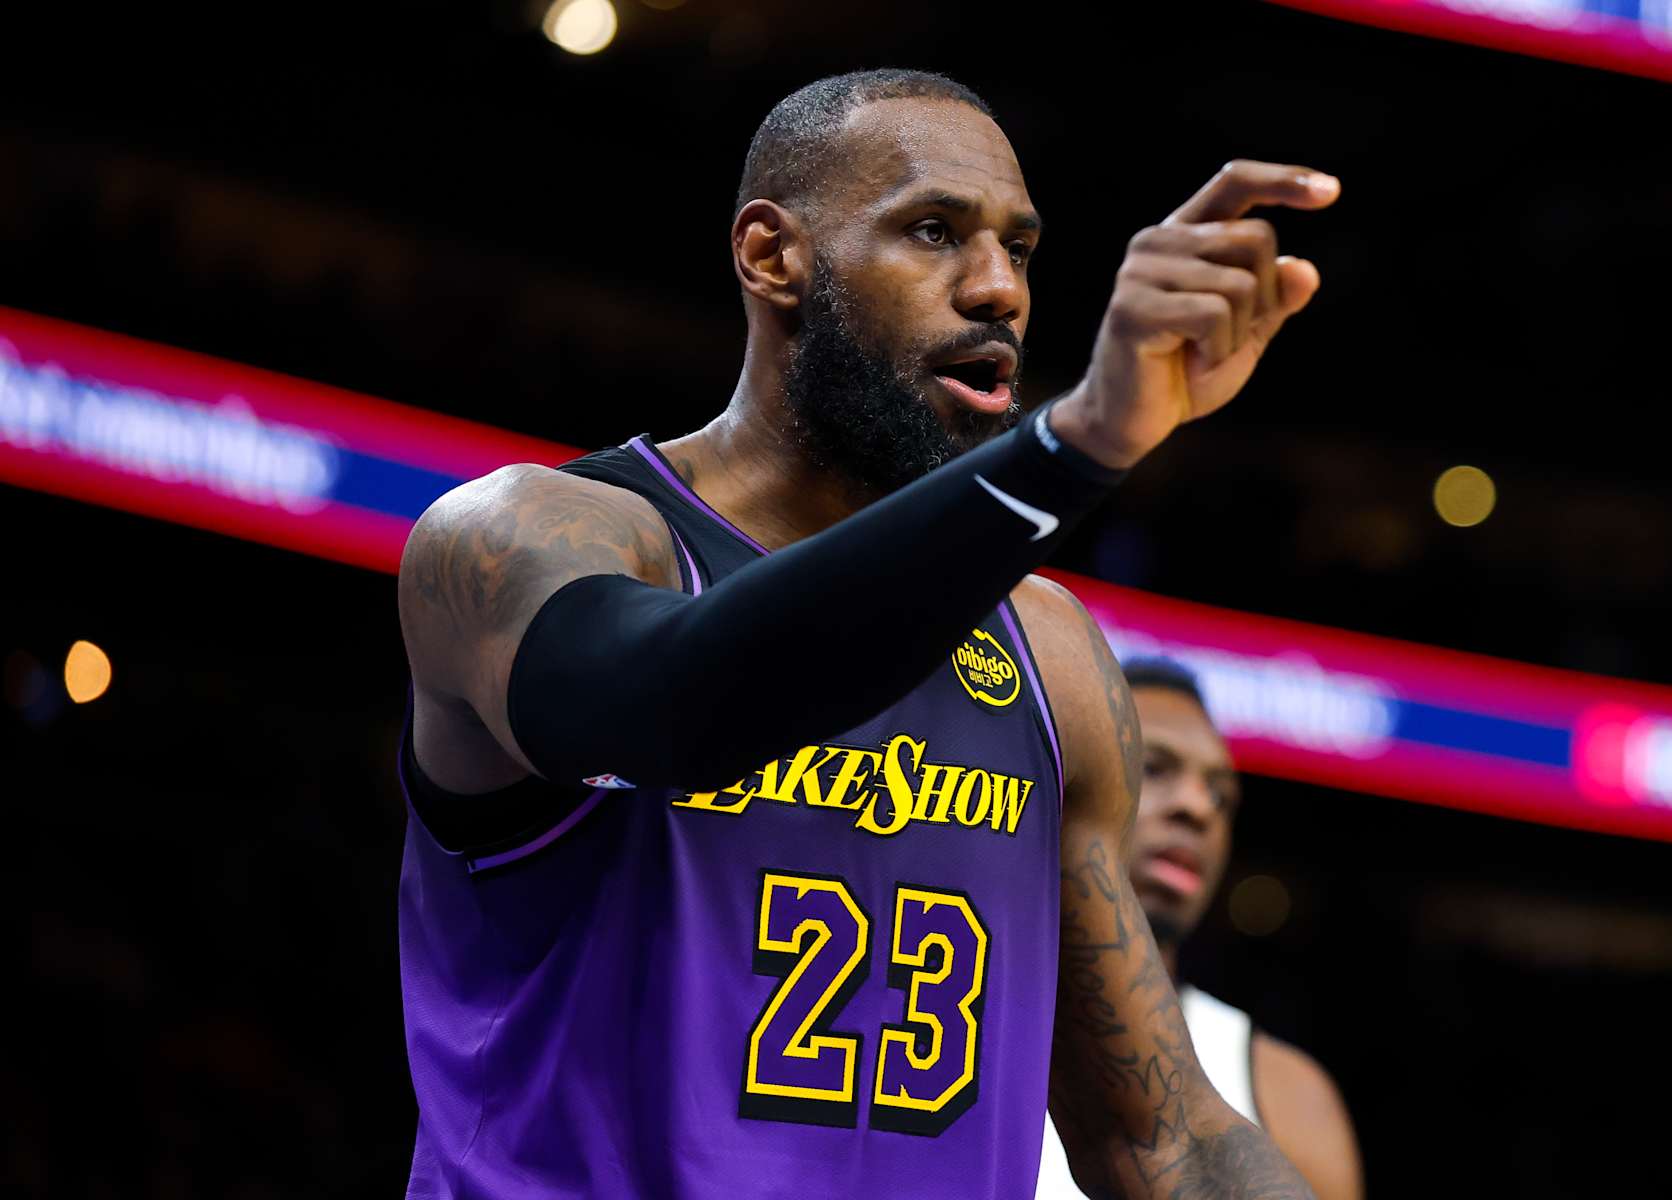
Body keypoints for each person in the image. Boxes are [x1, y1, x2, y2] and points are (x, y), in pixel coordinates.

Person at [395, 68, 1339, 1198]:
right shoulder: (529, 540)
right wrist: (1075, 442)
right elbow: (674, 709)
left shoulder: (1047, 652)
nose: (998, 291)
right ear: (771, 256)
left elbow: (1164, 1138)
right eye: (934, 232)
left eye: (1022, 250)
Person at [1037, 659, 1363, 1200]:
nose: (1197, 808)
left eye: (1221, 796)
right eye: (1156, 767)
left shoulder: (1288, 1092)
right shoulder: (940, 1011)